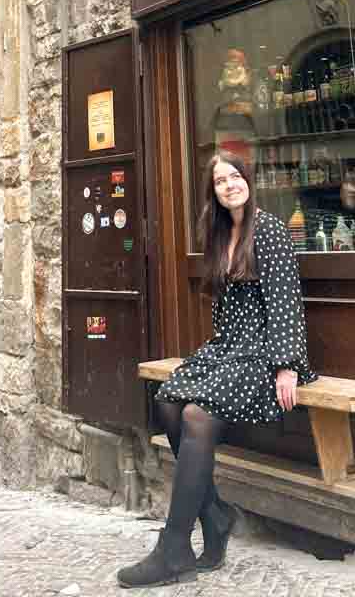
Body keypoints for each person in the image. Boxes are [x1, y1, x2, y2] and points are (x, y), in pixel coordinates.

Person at [117, 152, 315, 588]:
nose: (229, 185)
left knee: (195, 414)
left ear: (249, 180)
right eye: (220, 181)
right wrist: (215, 354)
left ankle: (174, 548)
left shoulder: (271, 230)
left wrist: (286, 367)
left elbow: (286, 303)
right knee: (168, 400)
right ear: (214, 192)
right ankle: (214, 515)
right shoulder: (220, 232)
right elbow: (224, 307)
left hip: (264, 352)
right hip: (228, 347)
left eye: (235, 176)